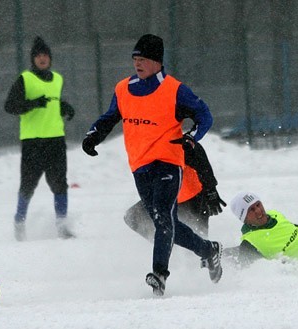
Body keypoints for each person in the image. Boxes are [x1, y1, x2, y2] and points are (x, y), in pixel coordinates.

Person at [82, 34, 223, 296]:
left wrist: (192, 136)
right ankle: (208, 249)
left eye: (143, 59)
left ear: (157, 62)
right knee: (165, 221)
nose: (137, 63)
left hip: (168, 163)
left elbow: (205, 115)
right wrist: (93, 136)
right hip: (140, 167)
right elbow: (110, 117)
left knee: (161, 217)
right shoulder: (123, 89)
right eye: (135, 59)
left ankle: (159, 274)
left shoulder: (175, 89)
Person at [4, 36, 76, 241]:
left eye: (45, 55)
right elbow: (10, 106)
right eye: (38, 55)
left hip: (55, 140)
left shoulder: (58, 79)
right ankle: (19, 222)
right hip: (33, 141)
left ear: (50, 58)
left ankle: (62, 226)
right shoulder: (25, 79)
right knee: (28, 184)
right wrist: (33, 103)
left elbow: (53, 102)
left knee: (60, 184)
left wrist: (64, 107)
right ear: (32, 59)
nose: (42, 58)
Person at [124, 136, 226, 240]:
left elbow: (200, 158)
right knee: (132, 217)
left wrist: (211, 190)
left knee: (199, 240)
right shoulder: (145, 146)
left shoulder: (175, 141)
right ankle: (168, 243)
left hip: (194, 199)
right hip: (166, 198)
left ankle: (178, 244)